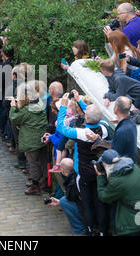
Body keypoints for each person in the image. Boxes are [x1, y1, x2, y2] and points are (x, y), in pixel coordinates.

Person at [56, 92, 110, 235]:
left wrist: (63, 107)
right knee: (99, 203)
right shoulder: (104, 130)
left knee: (86, 204)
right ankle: (103, 231)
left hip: (84, 174)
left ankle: (90, 229)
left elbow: (60, 128)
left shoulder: (81, 133)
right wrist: (80, 101)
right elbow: (93, 116)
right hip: (99, 172)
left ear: (86, 118)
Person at [95, 150, 140, 236]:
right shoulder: (134, 167)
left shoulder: (117, 181)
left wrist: (100, 176)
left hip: (132, 225)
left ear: (106, 165)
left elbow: (104, 197)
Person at [9, 81, 48, 195]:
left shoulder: (27, 110)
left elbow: (14, 118)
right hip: (41, 138)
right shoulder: (39, 103)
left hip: (31, 140)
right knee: (42, 161)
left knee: (33, 163)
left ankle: (35, 186)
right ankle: (44, 181)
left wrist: (13, 107)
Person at [47, 158, 86, 235]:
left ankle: (80, 231)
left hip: (87, 210)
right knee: (63, 201)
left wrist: (61, 202)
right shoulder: (77, 175)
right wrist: (59, 202)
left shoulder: (72, 182)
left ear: (62, 170)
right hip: (89, 207)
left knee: (64, 202)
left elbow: (70, 198)